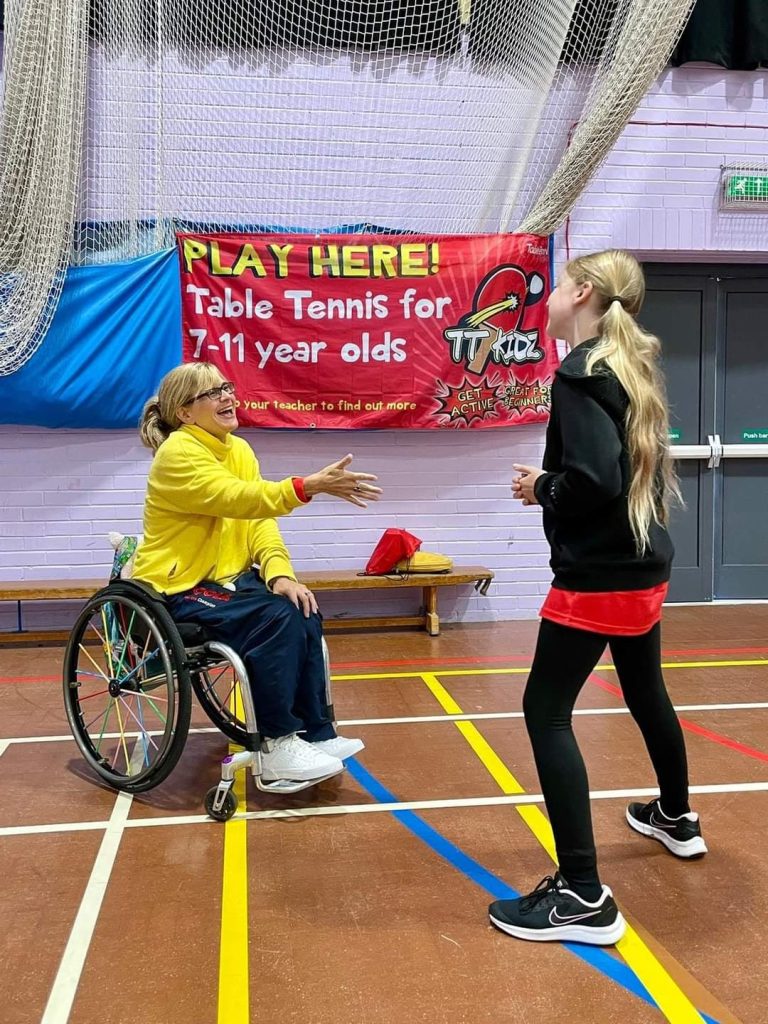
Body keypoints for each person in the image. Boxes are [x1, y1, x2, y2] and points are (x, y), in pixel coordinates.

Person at [488, 249, 706, 947]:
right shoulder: (625, 365)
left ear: (582, 292)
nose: (549, 298)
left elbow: (594, 479)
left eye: (558, 287)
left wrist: (542, 487)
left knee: (544, 711)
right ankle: (675, 816)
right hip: (642, 565)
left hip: (601, 575)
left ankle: (582, 894)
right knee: (645, 690)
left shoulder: (580, 372)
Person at [132, 362, 382, 783]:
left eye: (226, 387)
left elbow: (259, 521)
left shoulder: (240, 450)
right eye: (212, 393)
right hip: (179, 587)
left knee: (299, 605)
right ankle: (277, 743)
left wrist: (280, 573)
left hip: (229, 579)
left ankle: (315, 732)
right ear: (185, 413)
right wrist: (306, 487)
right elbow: (237, 498)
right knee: (274, 619)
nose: (227, 397)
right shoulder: (177, 453)